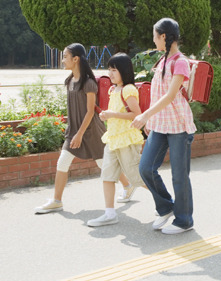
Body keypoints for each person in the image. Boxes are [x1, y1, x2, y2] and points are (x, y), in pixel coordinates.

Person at [132, 18, 196, 235]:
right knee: (145, 168)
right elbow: (156, 94)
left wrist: (145, 115)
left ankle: (184, 220)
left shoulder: (180, 62)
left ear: (164, 37)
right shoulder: (162, 60)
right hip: (160, 125)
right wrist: (151, 121)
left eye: (155, 35)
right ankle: (166, 207)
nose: (153, 39)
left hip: (178, 125)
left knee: (179, 175)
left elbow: (169, 96)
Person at [34, 43, 108, 214]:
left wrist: (80, 134)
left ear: (75, 59)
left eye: (65, 56)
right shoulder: (69, 81)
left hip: (91, 131)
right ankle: (56, 201)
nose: (62, 60)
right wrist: (73, 132)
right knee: (62, 162)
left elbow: (90, 112)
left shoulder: (88, 83)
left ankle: (128, 185)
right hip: (74, 132)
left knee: (104, 164)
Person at [87, 53, 146, 227]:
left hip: (127, 140)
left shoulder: (128, 89)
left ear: (124, 71)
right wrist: (108, 115)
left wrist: (112, 114)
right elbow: (118, 113)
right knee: (107, 176)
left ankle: (166, 201)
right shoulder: (113, 89)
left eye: (114, 70)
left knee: (136, 178)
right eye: (109, 69)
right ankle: (109, 213)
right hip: (113, 139)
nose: (110, 74)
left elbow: (137, 115)